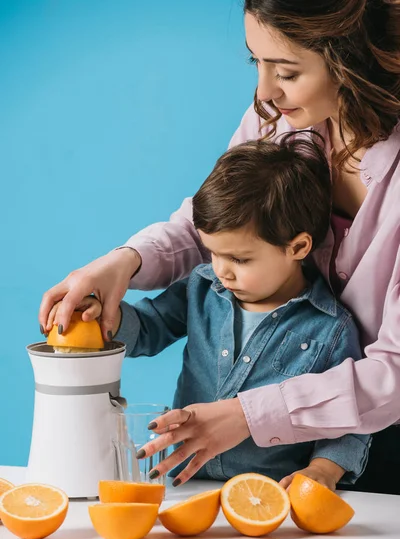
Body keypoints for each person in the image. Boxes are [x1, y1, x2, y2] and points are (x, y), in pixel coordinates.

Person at [39, 0, 400, 494]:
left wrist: (250, 416)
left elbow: (393, 372)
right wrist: (122, 263)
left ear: (350, 60)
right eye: (257, 62)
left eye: (287, 71)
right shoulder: (280, 118)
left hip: (370, 442)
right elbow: (215, 223)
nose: (264, 93)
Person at [48, 135, 370, 489]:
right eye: (212, 252)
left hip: (269, 497)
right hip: (187, 485)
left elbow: (349, 418)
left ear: (298, 247)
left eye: (239, 259)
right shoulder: (201, 287)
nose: (222, 270)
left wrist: (324, 470)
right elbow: (149, 327)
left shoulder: (331, 329)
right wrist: (102, 317)